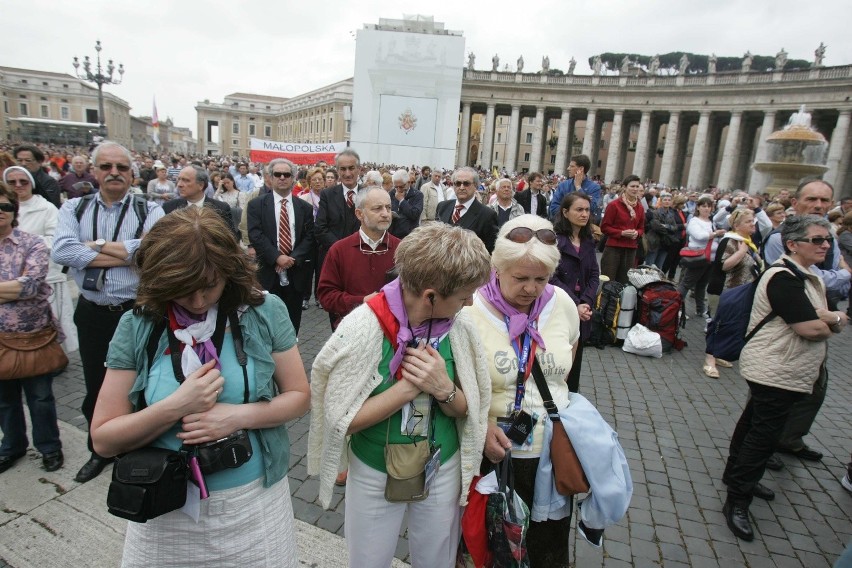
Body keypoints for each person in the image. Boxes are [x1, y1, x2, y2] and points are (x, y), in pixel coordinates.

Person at [90, 207, 310, 567]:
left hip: (252, 504)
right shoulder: (137, 324)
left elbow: (299, 397)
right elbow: (103, 438)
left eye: (209, 286)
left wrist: (237, 416)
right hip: (167, 509)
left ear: (230, 272)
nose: (196, 301)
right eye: (182, 290)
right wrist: (174, 407)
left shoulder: (263, 311)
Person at [308, 223, 493, 568]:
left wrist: (444, 389)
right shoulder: (363, 327)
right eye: (465, 294)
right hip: (376, 470)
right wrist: (408, 388)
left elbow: (470, 409)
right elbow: (342, 421)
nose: (471, 302)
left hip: (442, 465)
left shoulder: (461, 327)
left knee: (436, 559)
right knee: (368, 561)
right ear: (430, 295)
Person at [722, 215, 847, 541]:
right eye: (817, 240)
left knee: (752, 421)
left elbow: (814, 317)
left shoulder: (804, 275)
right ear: (793, 244)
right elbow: (809, 327)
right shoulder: (784, 277)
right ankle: (738, 498)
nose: (825, 245)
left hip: (782, 366)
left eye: (827, 240)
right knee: (763, 434)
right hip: (776, 367)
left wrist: (823, 317)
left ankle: (735, 475)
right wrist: (835, 318)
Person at [467, 214, 580, 567]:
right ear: (496, 267)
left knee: (546, 548)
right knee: (494, 547)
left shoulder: (561, 303)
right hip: (492, 453)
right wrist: (480, 427)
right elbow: (457, 384)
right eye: (520, 278)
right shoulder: (469, 308)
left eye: (541, 279)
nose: (531, 289)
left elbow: (567, 362)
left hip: (550, 453)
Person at [53, 142, 165, 483]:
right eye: (106, 167)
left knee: (144, 382)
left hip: (138, 311)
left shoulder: (151, 209)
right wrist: (126, 253)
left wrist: (94, 246)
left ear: (131, 173)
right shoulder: (74, 207)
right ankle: (99, 448)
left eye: (121, 167)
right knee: (96, 384)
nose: (114, 173)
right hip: (93, 312)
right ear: (95, 171)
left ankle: (137, 447)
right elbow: (62, 250)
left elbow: (151, 252)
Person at [0, 182, 64, 475]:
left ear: (14, 211)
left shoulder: (32, 243)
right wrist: (13, 288)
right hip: (1, 338)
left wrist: (20, 288)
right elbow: (19, 287)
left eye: (5, 207)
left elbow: (32, 284)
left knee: (40, 398)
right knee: (5, 400)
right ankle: (12, 446)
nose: (0, 213)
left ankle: (49, 447)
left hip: (34, 335)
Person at [3, 166, 77, 353]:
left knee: (42, 343)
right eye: (12, 182)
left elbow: (56, 241)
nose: (18, 185)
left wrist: (25, 245)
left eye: (23, 181)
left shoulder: (45, 208)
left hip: (43, 278)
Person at [246, 158, 315, 335]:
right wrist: (277, 257)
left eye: (287, 174)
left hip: (296, 272)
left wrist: (292, 259)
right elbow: (256, 235)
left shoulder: (304, 207)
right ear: (270, 177)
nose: (282, 178)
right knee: (266, 323)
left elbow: (309, 236)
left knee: (292, 324)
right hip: (268, 272)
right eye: (278, 174)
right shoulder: (257, 205)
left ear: (294, 178)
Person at [317, 187, 400, 330]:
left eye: (388, 207)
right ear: (359, 214)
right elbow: (326, 296)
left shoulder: (403, 249)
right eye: (377, 208)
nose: (386, 214)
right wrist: (361, 301)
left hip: (393, 333)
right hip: (351, 331)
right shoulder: (339, 250)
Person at [702, 208, 762, 379]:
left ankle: (719, 354)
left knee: (729, 324)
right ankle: (709, 360)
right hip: (724, 290)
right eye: (748, 222)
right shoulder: (730, 241)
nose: (752, 224)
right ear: (737, 225)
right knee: (717, 323)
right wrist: (742, 252)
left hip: (740, 292)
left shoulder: (748, 242)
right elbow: (724, 265)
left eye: (753, 221)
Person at [551, 193, 599, 393]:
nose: (584, 214)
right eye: (579, 209)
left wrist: (586, 301)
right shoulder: (555, 240)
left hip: (583, 307)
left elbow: (594, 274)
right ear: (565, 212)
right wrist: (575, 303)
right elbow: (551, 276)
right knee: (560, 357)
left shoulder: (588, 240)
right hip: (562, 305)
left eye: (587, 210)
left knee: (576, 359)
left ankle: (571, 396)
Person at [678, 196, 725, 319]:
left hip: (710, 259)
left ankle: (700, 309)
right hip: (698, 258)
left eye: (709, 206)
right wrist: (715, 234)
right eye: (703, 206)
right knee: (686, 284)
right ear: (698, 207)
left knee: (702, 285)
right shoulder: (694, 221)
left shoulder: (711, 222)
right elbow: (699, 236)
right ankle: (676, 308)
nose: (706, 209)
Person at [436, 167, 499, 253]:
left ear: (476, 185)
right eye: (458, 183)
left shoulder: (487, 215)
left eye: (466, 183)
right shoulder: (442, 206)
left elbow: (491, 250)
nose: (461, 187)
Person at [163, 166, 238, 238]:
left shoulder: (221, 209)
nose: (179, 184)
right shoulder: (169, 208)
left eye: (186, 180)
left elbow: (230, 240)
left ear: (201, 185)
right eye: (179, 179)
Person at [599, 175, 645, 285]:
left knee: (624, 282)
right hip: (613, 248)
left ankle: (620, 302)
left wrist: (637, 233)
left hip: (631, 249)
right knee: (608, 281)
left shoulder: (640, 207)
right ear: (624, 187)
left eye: (637, 187)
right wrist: (621, 233)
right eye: (632, 186)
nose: (635, 189)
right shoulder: (614, 205)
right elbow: (604, 227)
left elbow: (641, 228)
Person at [548, 155, 602, 223]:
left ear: (581, 169)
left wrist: (578, 187)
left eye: (572, 166)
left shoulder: (594, 187)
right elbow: (554, 208)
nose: (568, 168)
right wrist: (573, 214)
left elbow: (592, 209)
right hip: (563, 226)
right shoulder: (563, 185)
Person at [643, 192, 682, 269]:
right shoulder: (655, 212)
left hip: (665, 243)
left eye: (669, 200)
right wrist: (668, 229)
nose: (667, 201)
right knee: (649, 266)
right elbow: (656, 226)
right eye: (665, 200)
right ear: (661, 201)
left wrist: (665, 226)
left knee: (659, 267)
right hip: (654, 241)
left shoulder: (671, 214)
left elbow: (675, 227)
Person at [389, 169, 423, 239]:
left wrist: (402, 201)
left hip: (410, 236)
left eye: (401, 186)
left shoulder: (418, 195)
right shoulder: (392, 193)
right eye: (396, 187)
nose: (398, 189)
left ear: (408, 183)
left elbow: (415, 214)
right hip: (393, 234)